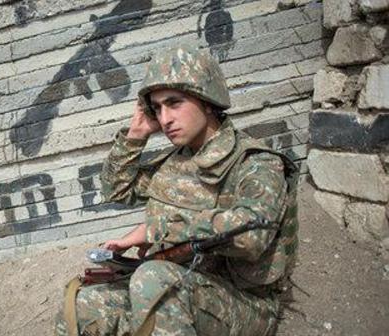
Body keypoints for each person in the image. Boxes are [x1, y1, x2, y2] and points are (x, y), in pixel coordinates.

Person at [55, 44, 298, 336]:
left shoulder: (256, 163)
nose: (165, 118)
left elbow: (252, 236)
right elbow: (117, 190)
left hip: (245, 304)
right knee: (85, 302)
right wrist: (136, 135)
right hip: (180, 282)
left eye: (174, 103)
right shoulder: (177, 161)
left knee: (154, 279)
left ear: (207, 101)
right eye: (157, 108)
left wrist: (157, 229)